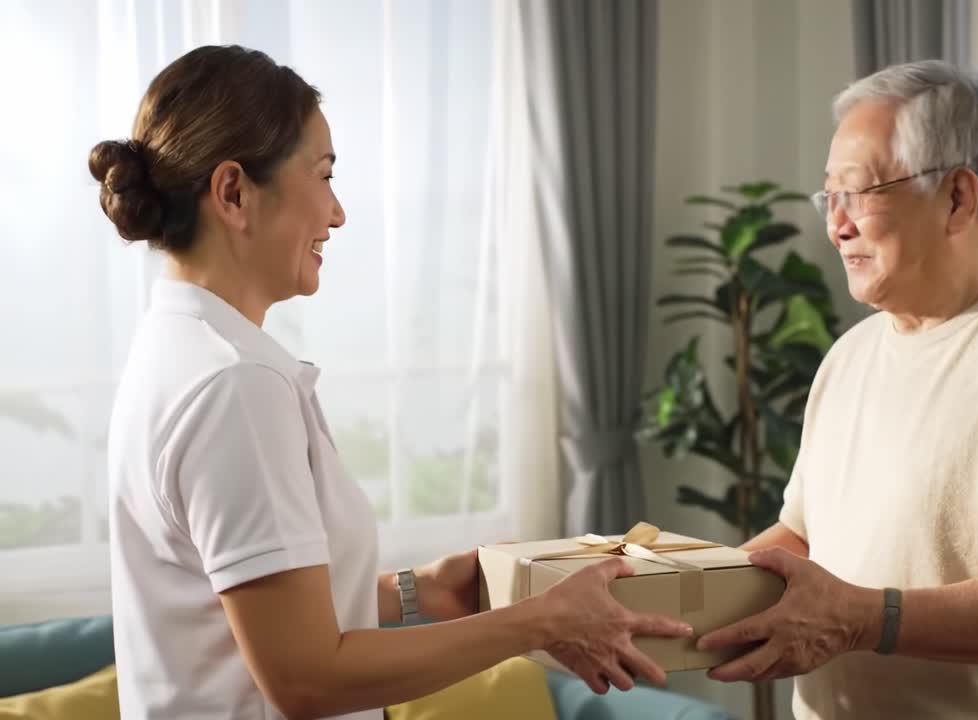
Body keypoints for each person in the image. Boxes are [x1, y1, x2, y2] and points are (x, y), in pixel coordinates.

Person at [93, 44, 689, 720]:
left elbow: (243, 603)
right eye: (323, 176)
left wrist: (420, 591)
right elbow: (307, 679)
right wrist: (541, 623)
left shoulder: (174, 348)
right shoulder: (237, 385)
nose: (338, 212)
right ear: (234, 193)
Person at [697, 60, 978, 719]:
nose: (836, 225)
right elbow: (803, 537)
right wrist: (676, 593)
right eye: (827, 198)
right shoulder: (851, 355)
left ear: (957, 198)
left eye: (858, 193)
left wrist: (866, 619)